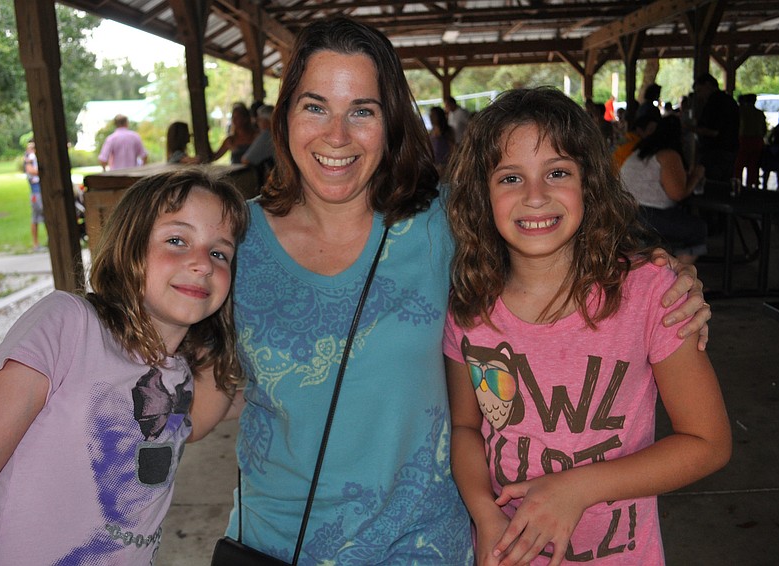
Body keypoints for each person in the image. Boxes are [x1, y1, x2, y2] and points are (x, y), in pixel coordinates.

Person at [227, 17, 711, 565]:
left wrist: (663, 275)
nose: (337, 135)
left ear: (392, 124)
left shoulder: (443, 222)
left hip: (419, 547)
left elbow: (543, 217)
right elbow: (191, 381)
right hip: (273, 543)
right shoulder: (231, 241)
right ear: (284, 114)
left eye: (363, 110)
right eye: (315, 106)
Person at [443, 87, 731, 566]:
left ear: (589, 184)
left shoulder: (651, 293)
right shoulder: (469, 310)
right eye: (511, 177)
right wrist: (484, 515)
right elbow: (466, 427)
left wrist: (575, 489)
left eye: (557, 172)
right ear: (481, 196)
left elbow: (709, 442)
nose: (536, 197)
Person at [0, 167, 248, 565]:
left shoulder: (178, 376)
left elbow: (204, 418)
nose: (202, 263)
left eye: (220, 253)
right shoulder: (69, 324)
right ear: (128, 247)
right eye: (177, 240)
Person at [620, 115, 708, 264]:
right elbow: (678, 194)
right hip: (646, 215)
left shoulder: (640, 151)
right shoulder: (668, 154)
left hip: (623, 212)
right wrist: (697, 176)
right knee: (698, 229)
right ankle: (678, 279)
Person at [690, 73, 739, 196]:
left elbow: (713, 131)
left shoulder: (714, 102)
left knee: (711, 189)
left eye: (700, 90)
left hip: (715, 153)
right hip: (730, 150)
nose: (700, 95)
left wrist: (692, 128)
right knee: (724, 188)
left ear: (708, 85)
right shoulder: (730, 101)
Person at [735, 93, 767, 189]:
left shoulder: (741, 111)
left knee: (739, 164)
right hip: (757, 141)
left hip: (743, 140)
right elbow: (764, 129)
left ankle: (737, 183)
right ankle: (751, 185)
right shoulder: (759, 113)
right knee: (753, 165)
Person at [241, 103, 275, 181]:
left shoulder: (268, 135)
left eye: (259, 120)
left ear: (266, 121)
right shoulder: (280, 132)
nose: (257, 123)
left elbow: (246, 160)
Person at [23, 140, 44, 251]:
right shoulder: (30, 157)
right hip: (36, 191)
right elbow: (30, 170)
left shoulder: (32, 156)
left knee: (43, 216)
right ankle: (35, 244)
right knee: (36, 217)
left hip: (40, 189)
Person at [429, 105, 456, 178]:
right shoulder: (431, 133)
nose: (431, 117)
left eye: (433, 115)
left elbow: (453, 150)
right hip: (435, 168)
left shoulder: (448, 131)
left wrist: (449, 167)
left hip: (446, 168)